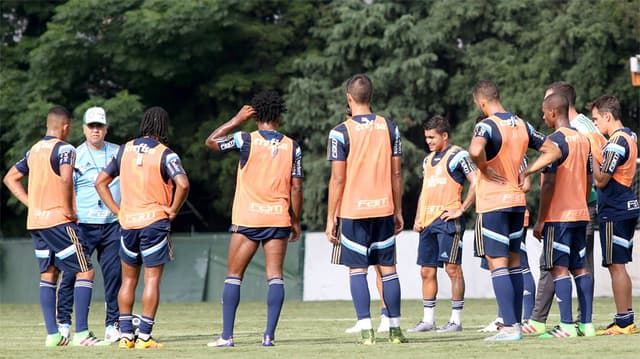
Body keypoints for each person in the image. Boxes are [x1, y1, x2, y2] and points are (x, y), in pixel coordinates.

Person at [204, 90, 303, 347]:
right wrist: (295, 219)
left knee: (234, 276)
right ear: (279, 116)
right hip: (277, 218)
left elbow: (211, 141)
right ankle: (269, 336)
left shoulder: (244, 139)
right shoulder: (292, 146)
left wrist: (236, 120)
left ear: (256, 115)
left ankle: (227, 336)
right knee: (275, 276)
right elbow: (296, 187)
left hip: (248, 219)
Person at [3, 106, 108, 347]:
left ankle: (53, 335)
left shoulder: (34, 150)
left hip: (36, 222)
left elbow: (10, 178)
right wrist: (69, 210)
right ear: (66, 126)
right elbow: (65, 178)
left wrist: (32, 204)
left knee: (49, 274)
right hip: (59, 220)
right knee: (86, 271)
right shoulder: (66, 149)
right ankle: (81, 334)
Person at [95, 106, 190, 349]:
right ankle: (145, 337)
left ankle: (126, 335)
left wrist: (117, 211)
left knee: (128, 281)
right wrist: (174, 210)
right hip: (154, 224)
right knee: (151, 281)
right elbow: (183, 183)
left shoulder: (123, 150)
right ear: (163, 127)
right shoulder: (166, 154)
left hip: (128, 223)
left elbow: (100, 182)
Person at [325, 74, 406, 345]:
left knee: (357, 271)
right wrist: (397, 209)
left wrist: (330, 216)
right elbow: (397, 173)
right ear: (371, 97)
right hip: (383, 207)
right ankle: (395, 329)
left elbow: (337, 178)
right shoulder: (389, 127)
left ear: (349, 98)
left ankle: (366, 331)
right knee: (389, 270)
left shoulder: (340, 132)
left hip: (353, 211)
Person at [523, 81, 606, 335]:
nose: (542, 117)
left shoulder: (554, 141)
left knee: (558, 268)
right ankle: (587, 324)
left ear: (553, 113)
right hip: (582, 213)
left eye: (544, 113)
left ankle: (567, 325)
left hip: (559, 216)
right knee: (580, 267)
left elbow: (548, 184)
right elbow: (590, 178)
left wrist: (540, 220)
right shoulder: (583, 140)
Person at [468, 80, 545, 341]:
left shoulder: (486, 125)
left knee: (497, 263)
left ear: (481, 102)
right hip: (516, 202)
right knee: (514, 262)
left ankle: (510, 327)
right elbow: (552, 149)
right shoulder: (522, 124)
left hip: (494, 202)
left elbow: (475, 150)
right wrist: (529, 171)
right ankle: (516, 325)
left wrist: (484, 168)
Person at [56, 107, 122, 342]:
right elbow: (66, 186)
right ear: (83, 128)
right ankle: (64, 323)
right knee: (71, 273)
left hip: (112, 223)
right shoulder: (73, 153)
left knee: (114, 275)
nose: (96, 130)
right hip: (82, 224)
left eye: (99, 126)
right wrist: (69, 214)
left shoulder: (117, 152)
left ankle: (113, 324)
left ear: (106, 129)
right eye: (91, 126)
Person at [408, 115, 476, 333]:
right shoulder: (427, 160)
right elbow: (425, 191)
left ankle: (455, 320)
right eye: (426, 137)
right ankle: (428, 320)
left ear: (444, 136)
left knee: (452, 269)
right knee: (426, 271)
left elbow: (476, 182)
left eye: (432, 137)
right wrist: (418, 217)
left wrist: (462, 209)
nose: (428, 141)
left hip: (448, 222)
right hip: (428, 222)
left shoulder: (459, 156)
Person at [589, 95, 639, 335]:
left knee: (615, 265)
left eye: (596, 119)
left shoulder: (616, 142)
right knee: (620, 265)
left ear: (608, 116)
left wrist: (592, 154)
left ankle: (623, 322)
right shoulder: (630, 135)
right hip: (627, 205)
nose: (595, 123)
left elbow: (601, 180)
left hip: (614, 209)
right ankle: (626, 318)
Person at [479, 162, 536, 332]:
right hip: (506, 208)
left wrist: (505, 188)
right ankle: (506, 316)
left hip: (505, 209)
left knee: (513, 264)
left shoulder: (513, 153)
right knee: (504, 266)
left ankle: (518, 319)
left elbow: (525, 184)